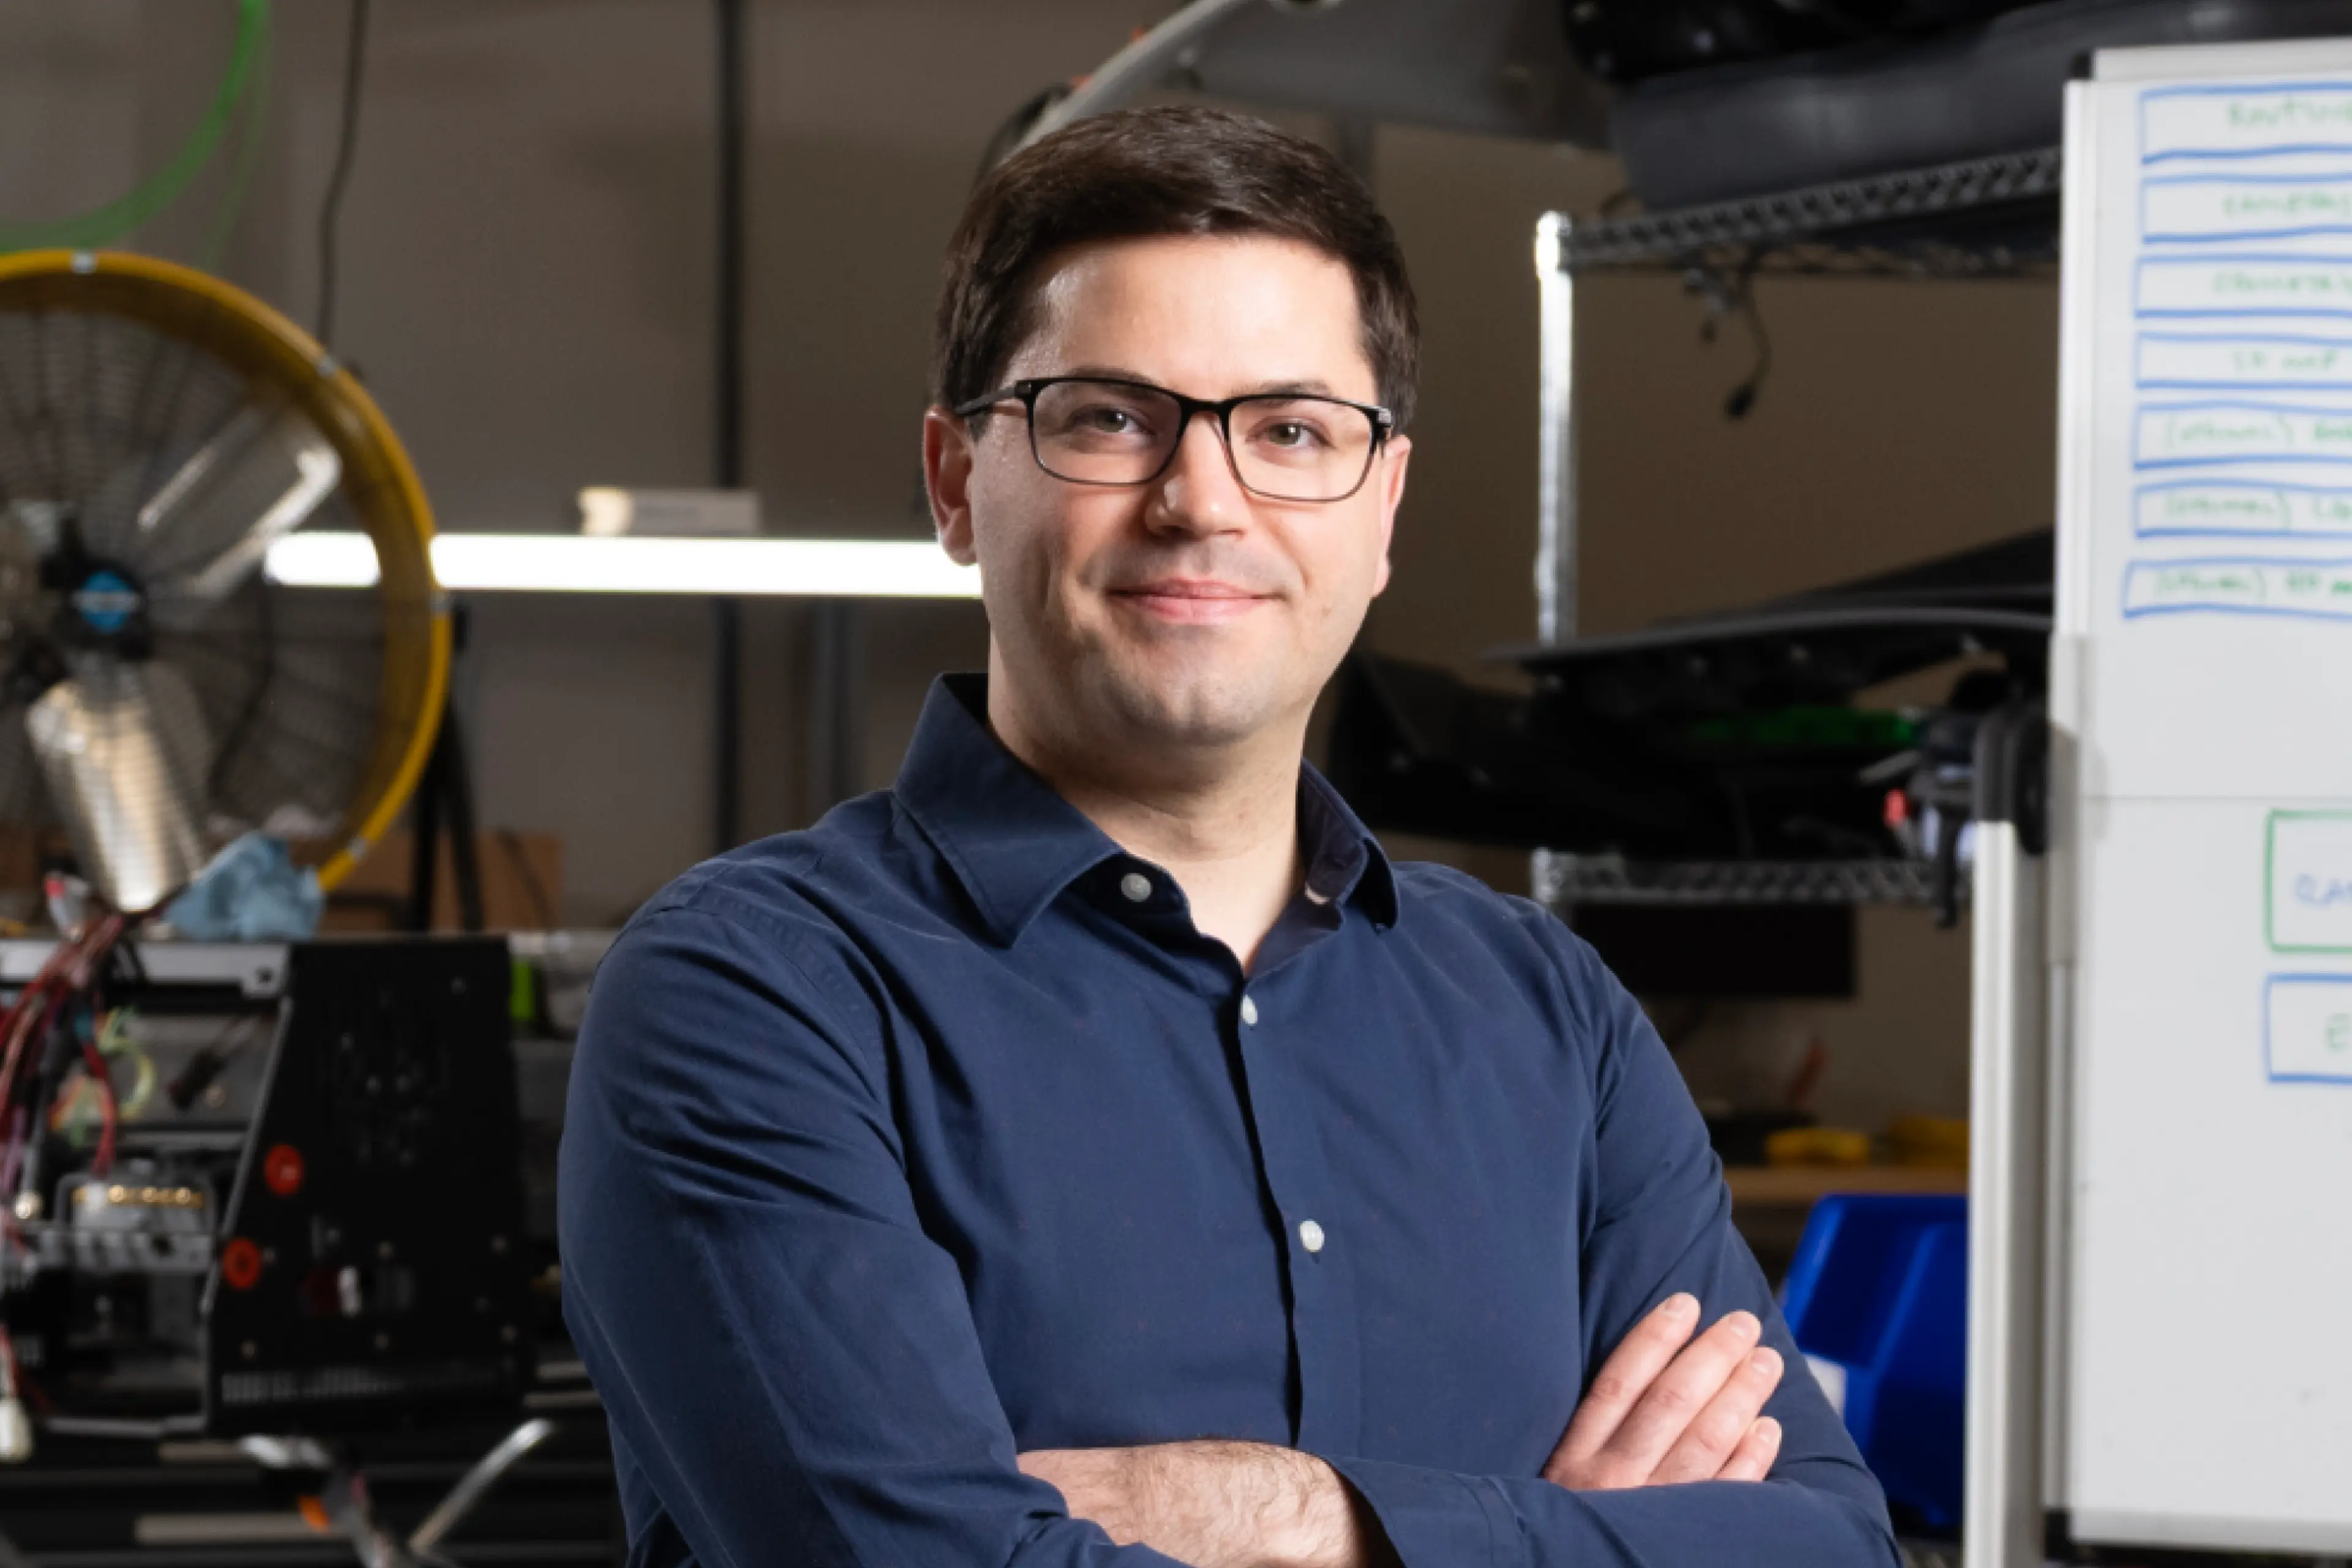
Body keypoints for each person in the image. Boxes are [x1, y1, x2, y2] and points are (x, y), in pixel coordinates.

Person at [559, 105, 1899, 1568]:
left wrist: (1310, 1517)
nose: (1203, 500)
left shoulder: (1548, 1015)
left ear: (1381, 507)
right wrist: (1555, 1539)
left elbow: (1824, 1541)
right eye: (1110, 416)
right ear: (956, 482)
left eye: (1292, 430)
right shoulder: (756, 995)